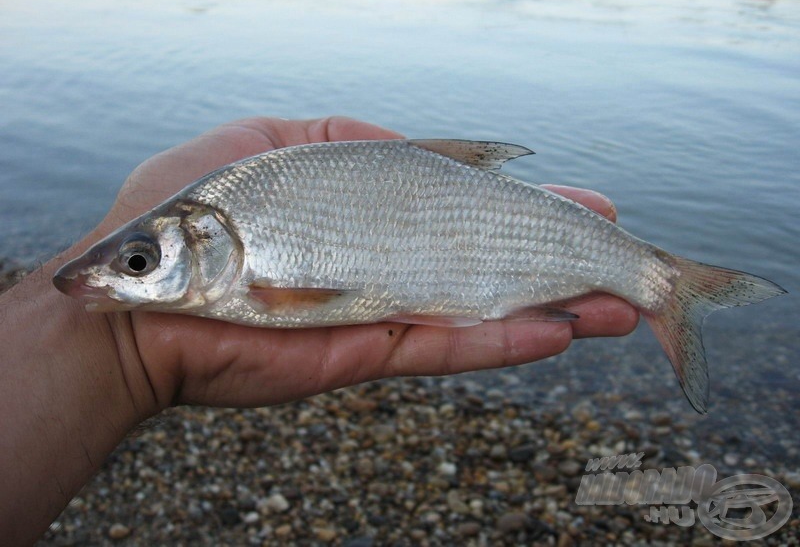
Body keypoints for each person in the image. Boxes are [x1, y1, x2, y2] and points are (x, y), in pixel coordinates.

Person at [0, 116, 638, 544]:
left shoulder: (242, 228)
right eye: (141, 262)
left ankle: (656, 283)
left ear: (212, 243)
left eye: (138, 264)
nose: (122, 277)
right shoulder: (227, 207)